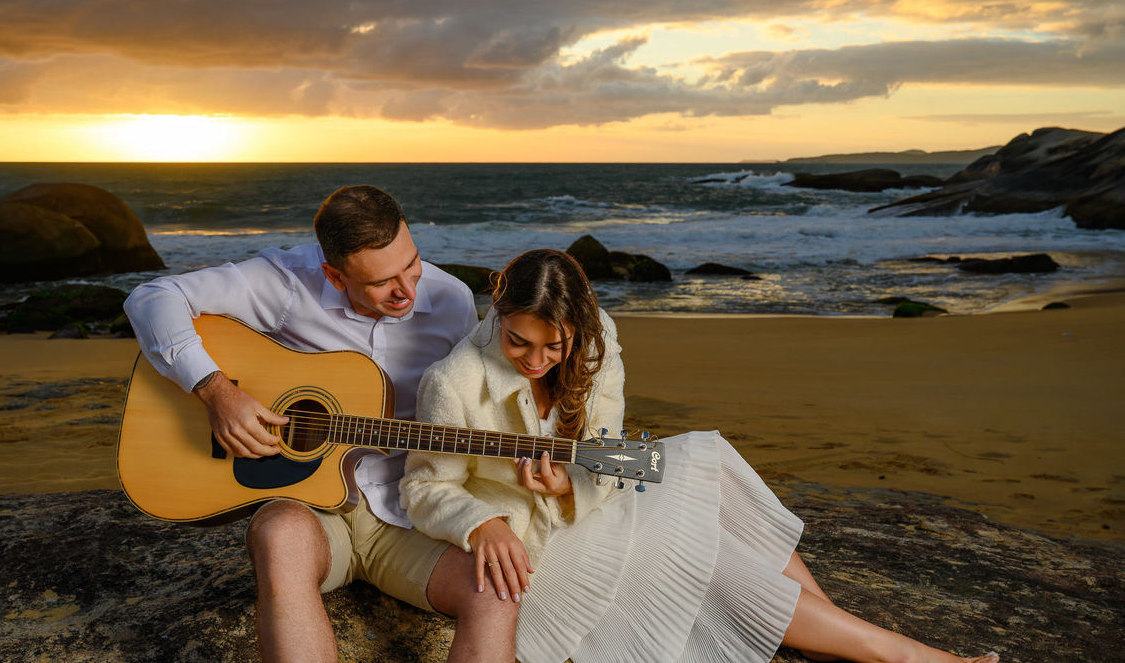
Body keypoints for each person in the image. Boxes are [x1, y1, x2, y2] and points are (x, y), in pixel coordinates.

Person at [400, 248, 1002, 663]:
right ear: (497, 313)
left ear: (578, 330)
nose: (534, 361)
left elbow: (611, 449)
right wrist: (482, 524)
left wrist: (568, 484)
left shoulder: (598, 337)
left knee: (704, 456)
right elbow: (424, 489)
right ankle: (896, 652)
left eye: (552, 347)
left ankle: (836, 629)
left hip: (590, 498)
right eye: (517, 342)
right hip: (537, 544)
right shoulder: (452, 380)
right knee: (710, 563)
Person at [124, 185, 519, 663]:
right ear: (333, 274)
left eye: (411, 264)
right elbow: (153, 297)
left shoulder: (452, 300)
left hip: (409, 513)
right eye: (381, 282)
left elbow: (472, 409)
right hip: (311, 509)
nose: (408, 291)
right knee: (277, 536)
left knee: (496, 588)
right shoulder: (287, 283)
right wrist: (216, 392)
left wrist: (516, 476)